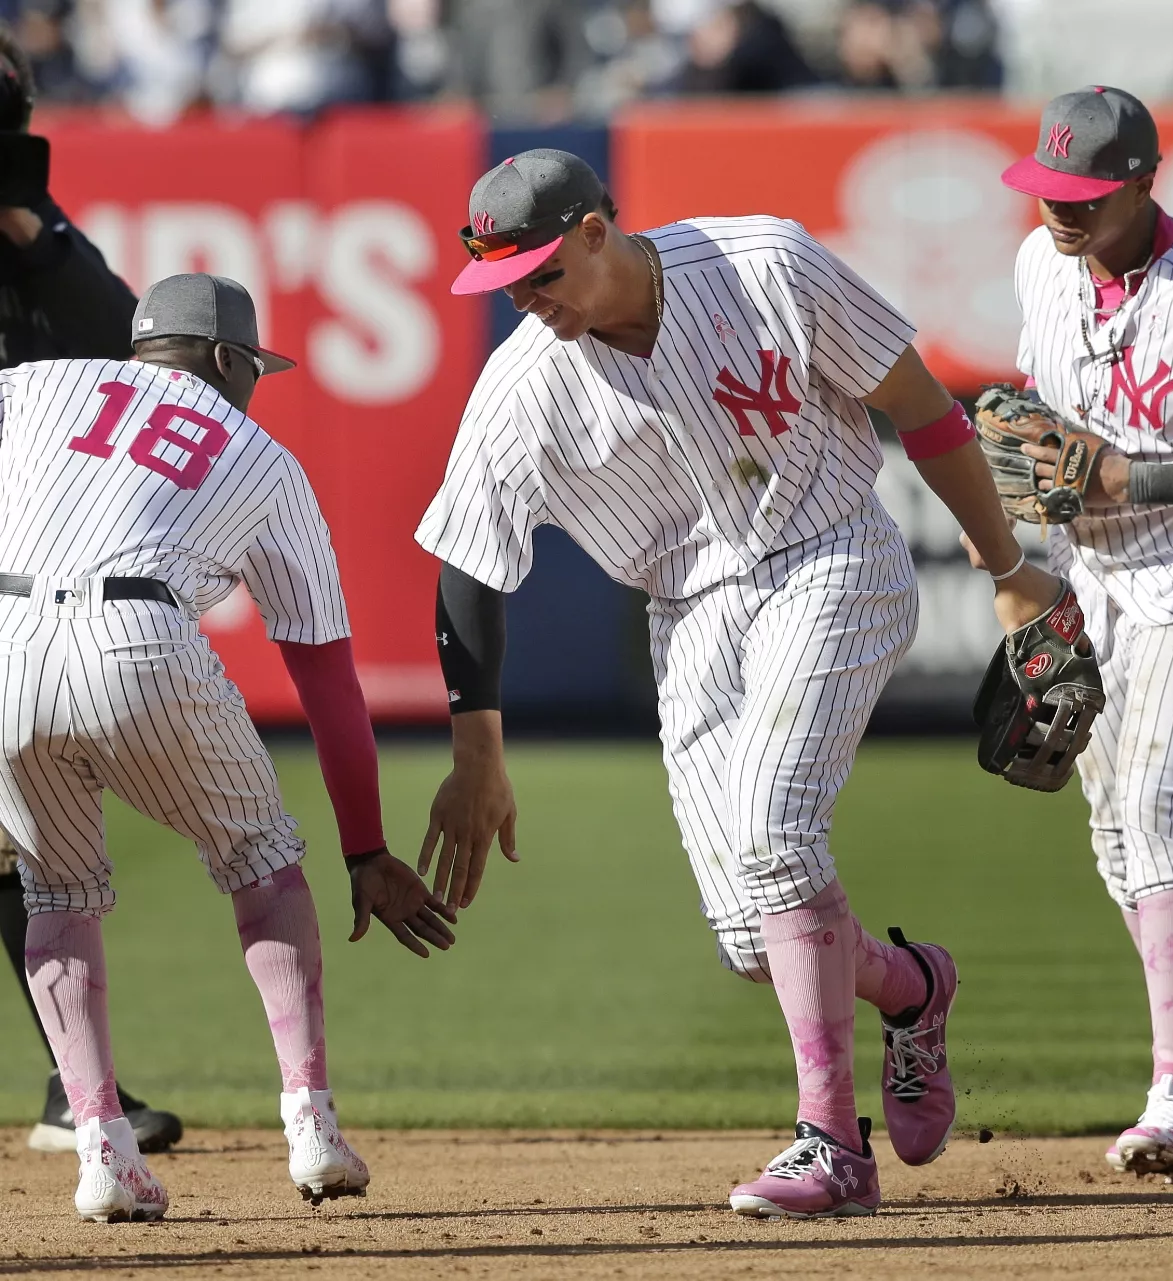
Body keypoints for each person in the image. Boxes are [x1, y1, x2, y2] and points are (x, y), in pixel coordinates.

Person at [415, 148, 1079, 1218]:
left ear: (594, 231)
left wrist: (1006, 570)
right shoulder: (523, 384)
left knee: (773, 833)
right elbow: (466, 565)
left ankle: (830, 1145)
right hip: (690, 615)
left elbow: (919, 406)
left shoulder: (762, 262)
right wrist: (475, 754)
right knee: (746, 938)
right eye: (504, 286)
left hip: (832, 555)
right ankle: (913, 988)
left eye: (538, 274)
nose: (525, 304)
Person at [0, 273, 455, 1222]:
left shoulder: (36, 384)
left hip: (3, 644)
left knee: (56, 893)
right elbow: (327, 680)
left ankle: (101, 1150)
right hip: (139, 637)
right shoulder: (263, 456)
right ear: (225, 360)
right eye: (254, 368)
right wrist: (365, 848)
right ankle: (312, 1125)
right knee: (259, 859)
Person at [991, 86, 1173, 1180]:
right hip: (1093, 575)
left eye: (1082, 195)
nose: (1060, 214)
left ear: (1140, 180)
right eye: (1047, 191)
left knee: (1156, 812)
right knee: (1114, 841)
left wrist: (1132, 473)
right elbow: (1038, 431)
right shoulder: (1041, 267)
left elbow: (1125, 468)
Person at [0, 23, 182, 1156]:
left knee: (20, 842)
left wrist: (30, 232)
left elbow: (122, 340)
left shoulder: (37, 238)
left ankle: (80, 1093)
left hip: (19, 569)